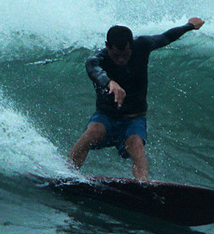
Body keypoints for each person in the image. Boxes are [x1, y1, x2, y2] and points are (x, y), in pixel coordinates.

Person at [67, 17, 205, 181]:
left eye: (125, 55)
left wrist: (189, 26)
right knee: (91, 133)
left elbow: (166, 37)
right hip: (106, 117)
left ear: (131, 45)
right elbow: (95, 71)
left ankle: (143, 184)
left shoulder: (142, 45)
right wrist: (110, 82)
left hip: (134, 119)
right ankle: (66, 173)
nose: (120, 60)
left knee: (136, 146)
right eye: (116, 55)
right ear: (107, 46)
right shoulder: (97, 60)